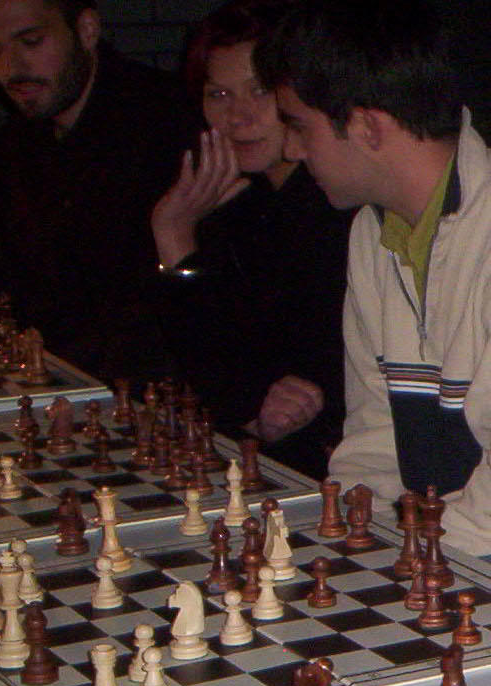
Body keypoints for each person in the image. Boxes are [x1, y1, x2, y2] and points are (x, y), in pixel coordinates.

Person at [254, 0, 491, 589]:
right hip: (456, 548)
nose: (291, 150)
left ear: (368, 126)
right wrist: (348, 541)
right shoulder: (374, 230)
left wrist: (380, 572)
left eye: (299, 126)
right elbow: (374, 440)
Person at [150, 0, 353, 478]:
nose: (238, 116)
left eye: (259, 91)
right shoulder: (235, 202)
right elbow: (205, 375)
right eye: (218, 94)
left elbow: (245, 387)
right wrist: (174, 234)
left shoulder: (338, 202)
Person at [0, 0, 192, 381]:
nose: (10, 68)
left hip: (143, 391)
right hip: (51, 388)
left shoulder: (168, 125)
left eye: (31, 41)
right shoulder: (8, 150)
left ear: (87, 30)